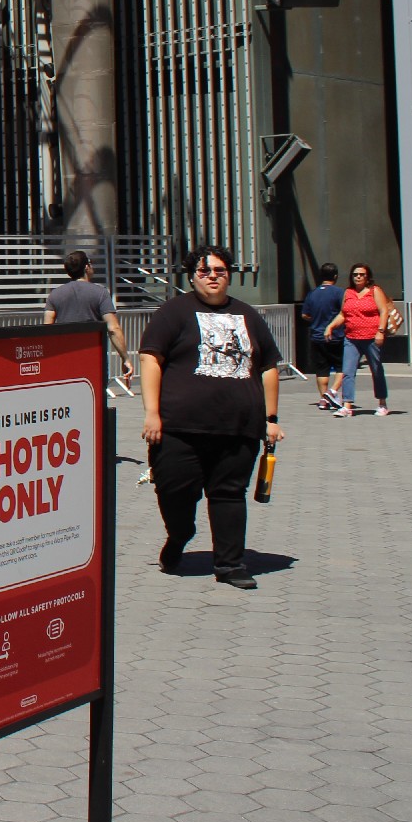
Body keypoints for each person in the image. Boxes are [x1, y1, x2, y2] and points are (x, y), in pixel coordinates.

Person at [139, 245, 284, 591]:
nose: (213, 277)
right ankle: (179, 535)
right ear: (193, 276)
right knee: (174, 490)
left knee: (229, 494)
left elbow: (268, 367)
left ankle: (230, 564)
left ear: (229, 275)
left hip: (238, 428)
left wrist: (271, 418)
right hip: (178, 428)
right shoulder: (173, 312)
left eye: (220, 270)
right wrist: (152, 413)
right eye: (205, 271)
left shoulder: (248, 315)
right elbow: (150, 358)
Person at [43, 250, 132, 384]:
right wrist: (125, 358)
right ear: (86, 267)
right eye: (90, 263)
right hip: (94, 359)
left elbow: (46, 331)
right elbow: (113, 329)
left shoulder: (54, 295)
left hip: (65, 360)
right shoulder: (100, 293)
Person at [323, 263, 392, 418]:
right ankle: (347, 405)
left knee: (376, 370)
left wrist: (381, 331)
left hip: (371, 337)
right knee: (348, 371)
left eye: (361, 274)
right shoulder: (348, 292)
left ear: (367, 277)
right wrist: (331, 326)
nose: (358, 277)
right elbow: (343, 314)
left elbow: (383, 311)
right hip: (351, 338)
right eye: (355, 274)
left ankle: (382, 403)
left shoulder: (374, 291)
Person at [299, 263, 347, 409]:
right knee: (342, 367)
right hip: (336, 336)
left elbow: (304, 314)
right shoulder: (340, 293)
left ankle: (323, 399)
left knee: (321, 369)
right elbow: (345, 312)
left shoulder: (312, 293)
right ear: (335, 276)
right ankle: (332, 392)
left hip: (317, 336)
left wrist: (315, 319)